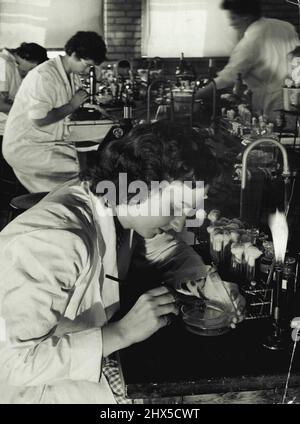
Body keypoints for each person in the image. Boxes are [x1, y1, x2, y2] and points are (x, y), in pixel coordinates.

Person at [0, 121, 245, 404]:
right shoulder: (54, 240)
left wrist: (206, 284)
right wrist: (121, 333)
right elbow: (12, 362)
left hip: (79, 369)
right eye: (175, 208)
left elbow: (167, 249)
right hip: (36, 389)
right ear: (138, 187)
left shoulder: (116, 201)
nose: (179, 222)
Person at [2, 31, 107, 193]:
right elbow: (39, 120)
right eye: (87, 65)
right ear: (73, 55)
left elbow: (71, 108)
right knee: (87, 172)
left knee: (91, 164)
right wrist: (72, 105)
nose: (87, 71)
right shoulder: (44, 76)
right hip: (27, 147)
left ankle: (74, 209)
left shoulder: (70, 74)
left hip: (46, 142)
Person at [195, 0, 300, 120]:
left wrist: (194, 96)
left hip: (273, 107)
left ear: (246, 17)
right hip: (295, 98)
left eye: (233, 18)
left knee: (272, 136)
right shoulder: (285, 26)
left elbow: (226, 78)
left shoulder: (249, 43)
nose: (231, 23)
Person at [0, 42, 48, 136]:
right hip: (3, 130)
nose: (30, 72)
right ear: (27, 58)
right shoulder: (3, 63)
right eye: (32, 68)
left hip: (12, 128)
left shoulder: (11, 64)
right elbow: (0, 105)